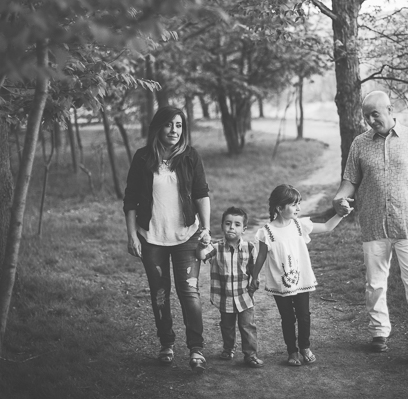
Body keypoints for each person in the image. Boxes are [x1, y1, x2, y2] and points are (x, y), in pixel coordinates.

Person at [333, 91, 408, 361]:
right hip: (374, 225)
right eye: (366, 116)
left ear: (390, 109)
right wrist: (339, 200)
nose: (371, 120)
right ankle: (379, 333)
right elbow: (349, 181)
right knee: (375, 284)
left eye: (375, 114)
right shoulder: (359, 144)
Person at [123, 106, 212, 373]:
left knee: (189, 293)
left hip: (186, 235)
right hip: (151, 238)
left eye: (179, 126)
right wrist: (131, 235)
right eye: (169, 125)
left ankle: (196, 348)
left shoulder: (190, 157)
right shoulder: (142, 158)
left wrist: (206, 229)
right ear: (158, 127)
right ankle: (167, 344)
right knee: (160, 294)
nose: (174, 131)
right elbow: (130, 199)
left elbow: (201, 193)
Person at [251, 184, 351, 366]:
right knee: (287, 318)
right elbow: (260, 257)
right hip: (280, 284)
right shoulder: (267, 232)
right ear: (279, 208)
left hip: (301, 280)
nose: (298, 208)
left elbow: (328, 226)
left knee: (304, 315)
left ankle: (305, 346)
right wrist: (254, 277)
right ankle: (292, 351)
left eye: (299, 203)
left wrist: (341, 214)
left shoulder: (300, 225)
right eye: (293, 204)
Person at [207, 207, 264, 368]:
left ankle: (250, 354)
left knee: (247, 326)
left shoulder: (249, 247)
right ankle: (228, 348)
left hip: (244, 296)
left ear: (244, 229)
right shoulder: (215, 248)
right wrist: (201, 243)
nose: (232, 227)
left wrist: (254, 284)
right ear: (222, 226)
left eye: (237, 224)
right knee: (227, 325)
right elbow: (200, 255)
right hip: (224, 297)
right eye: (228, 223)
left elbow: (254, 270)